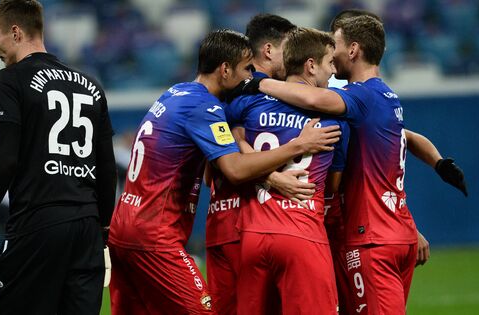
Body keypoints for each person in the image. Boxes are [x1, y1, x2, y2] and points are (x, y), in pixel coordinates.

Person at [232, 15, 468, 315]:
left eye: (337, 48)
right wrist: (438, 164)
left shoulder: (351, 101)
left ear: (353, 50)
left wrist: (258, 83)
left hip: (360, 236)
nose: (333, 65)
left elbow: (313, 99)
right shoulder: (381, 99)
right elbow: (407, 138)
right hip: (387, 231)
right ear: (311, 64)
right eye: (328, 59)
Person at [107, 29, 341, 315]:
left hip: (123, 228)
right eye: (246, 69)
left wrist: (270, 175)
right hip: (154, 235)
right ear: (225, 69)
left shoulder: (173, 94)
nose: (249, 79)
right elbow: (233, 170)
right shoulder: (203, 107)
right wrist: (298, 146)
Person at [0, 1, 117, 314]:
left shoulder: (10, 80)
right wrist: (102, 234)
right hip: (86, 229)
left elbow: (5, 160)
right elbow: (107, 169)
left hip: (37, 225)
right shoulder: (92, 86)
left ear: (15, 32)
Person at [229, 27, 347, 315]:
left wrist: (261, 168)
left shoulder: (249, 103)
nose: (333, 72)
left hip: (253, 237)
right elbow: (333, 185)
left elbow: (227, 135)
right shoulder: (335, 119)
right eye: (330, 62)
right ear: (310, 65)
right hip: (302, 234)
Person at [205, 14, 308, 315]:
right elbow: (233, 146)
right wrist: (274, 178)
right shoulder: (247, 93)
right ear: (268, 50)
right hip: (248, 223)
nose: (294, 57)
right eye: (288, 48)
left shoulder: (226, 91)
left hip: (224, 223)